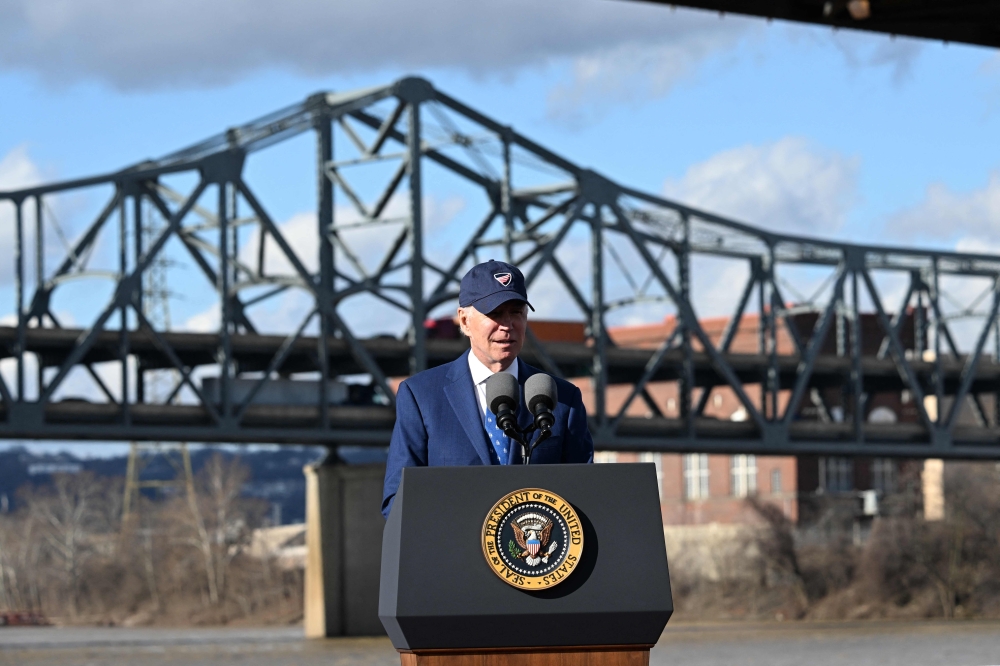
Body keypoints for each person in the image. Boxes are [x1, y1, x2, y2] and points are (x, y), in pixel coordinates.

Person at [381, 259, 594, 518]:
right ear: (464, 320)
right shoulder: (421, 395)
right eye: (494, 313)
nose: (507, 325)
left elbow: (586, 497)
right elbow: (397, 500)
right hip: (452, 555)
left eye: (516, 312)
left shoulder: (562, 399)